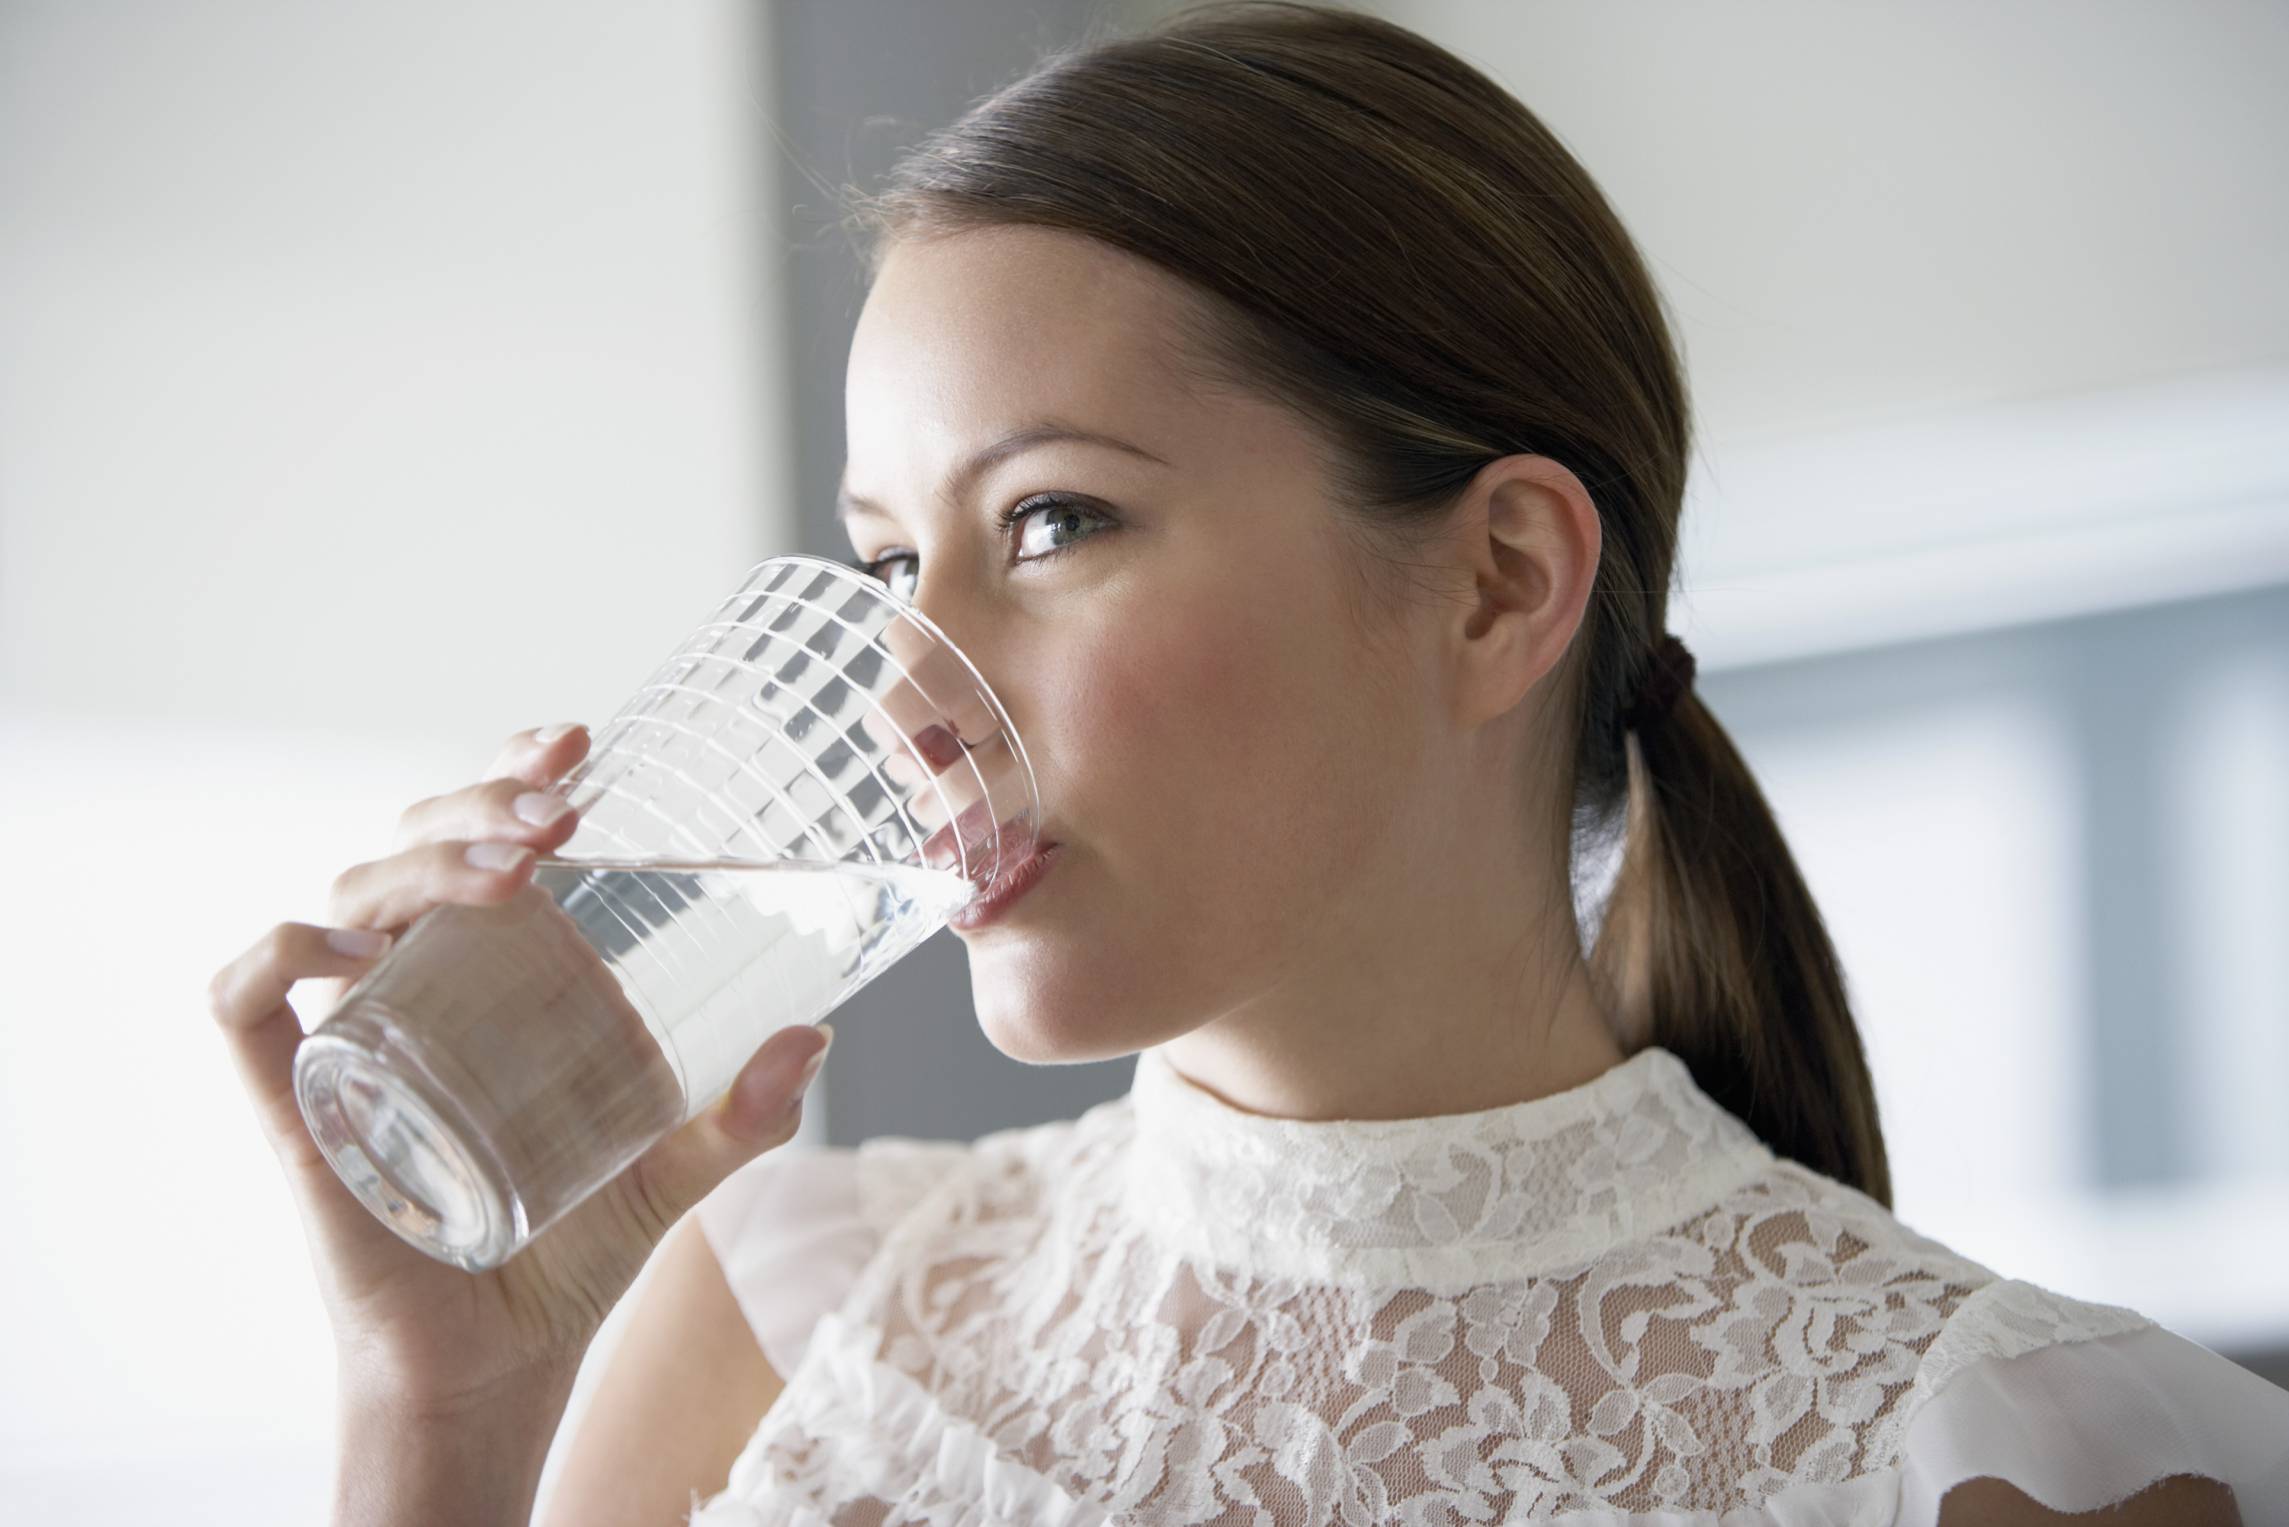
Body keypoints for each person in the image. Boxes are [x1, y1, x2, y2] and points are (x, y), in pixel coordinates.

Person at [210, 3, 2289, 1523]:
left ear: (1493, 582)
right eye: (876, 561)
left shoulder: (1997, 1453)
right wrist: (441, 1405)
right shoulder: (781, 1316)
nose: (904, 693)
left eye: (1049, 523)